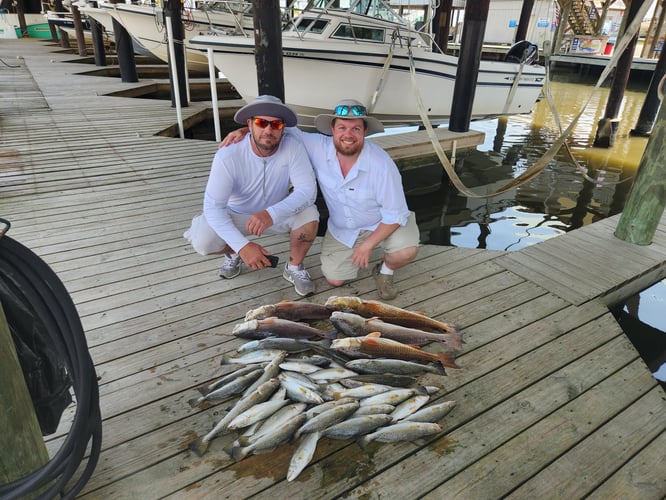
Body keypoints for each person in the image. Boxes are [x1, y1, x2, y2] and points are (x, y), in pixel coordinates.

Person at [221, 99, 419, 300]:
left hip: (383, 222)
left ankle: (385, 271)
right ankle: (362, 253)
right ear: (332, 129)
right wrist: (245, 133)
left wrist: (367, 245)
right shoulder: (317, 145)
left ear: (364, 132)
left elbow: (395, 214)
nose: (348, 135)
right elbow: (277, 130)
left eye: (356, 129)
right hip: (345, 229)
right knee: (335, 279)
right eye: (342, 127)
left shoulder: (382, 163)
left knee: (405, 251)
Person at [184, 95, 320, 297]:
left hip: (276, 213)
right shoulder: (228, 154)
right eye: (261, 122)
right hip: (236, 215)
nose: (268, 130)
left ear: (283, 127)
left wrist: (271, 213)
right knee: (203, 240)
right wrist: (243, 247)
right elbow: (213, 207)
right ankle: (233, 252)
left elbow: (307, 191)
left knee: (309, 214)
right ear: (250, 124)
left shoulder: (293, 146)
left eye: (275, 124)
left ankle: (294, 268)